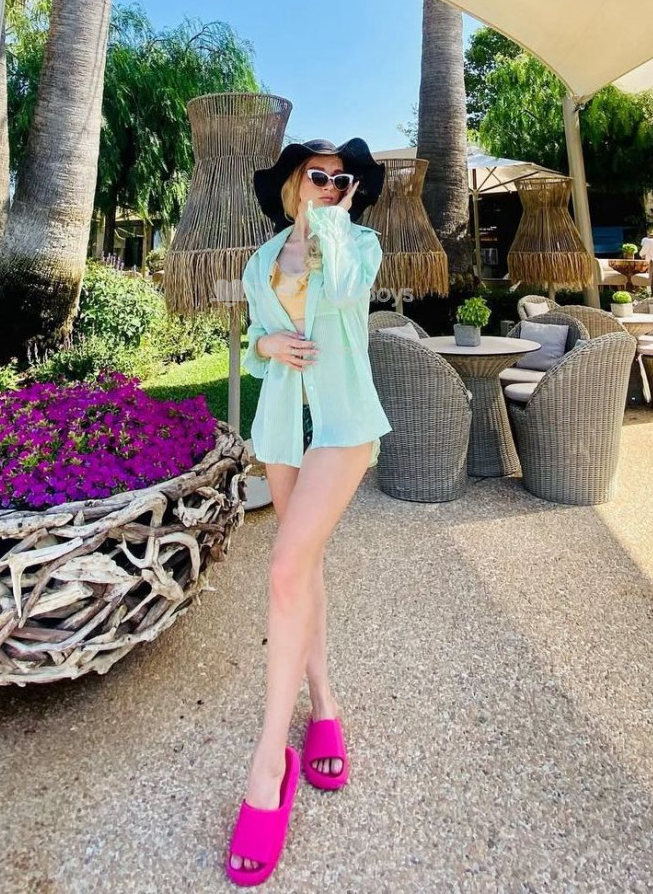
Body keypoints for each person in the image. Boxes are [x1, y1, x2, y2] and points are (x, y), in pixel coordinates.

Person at [226, 138, 393, 886]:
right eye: (316, 177)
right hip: (282, 427)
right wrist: (265, 340)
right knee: (305, 570)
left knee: (284, 568)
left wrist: (333, 220)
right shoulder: (260, 261)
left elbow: (347, 294)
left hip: (342, 425)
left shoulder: (358, 244)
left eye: (340, 179)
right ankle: (323, 704)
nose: (328, 185)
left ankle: (269, 764)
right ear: (294, 183)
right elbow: (258, 344)